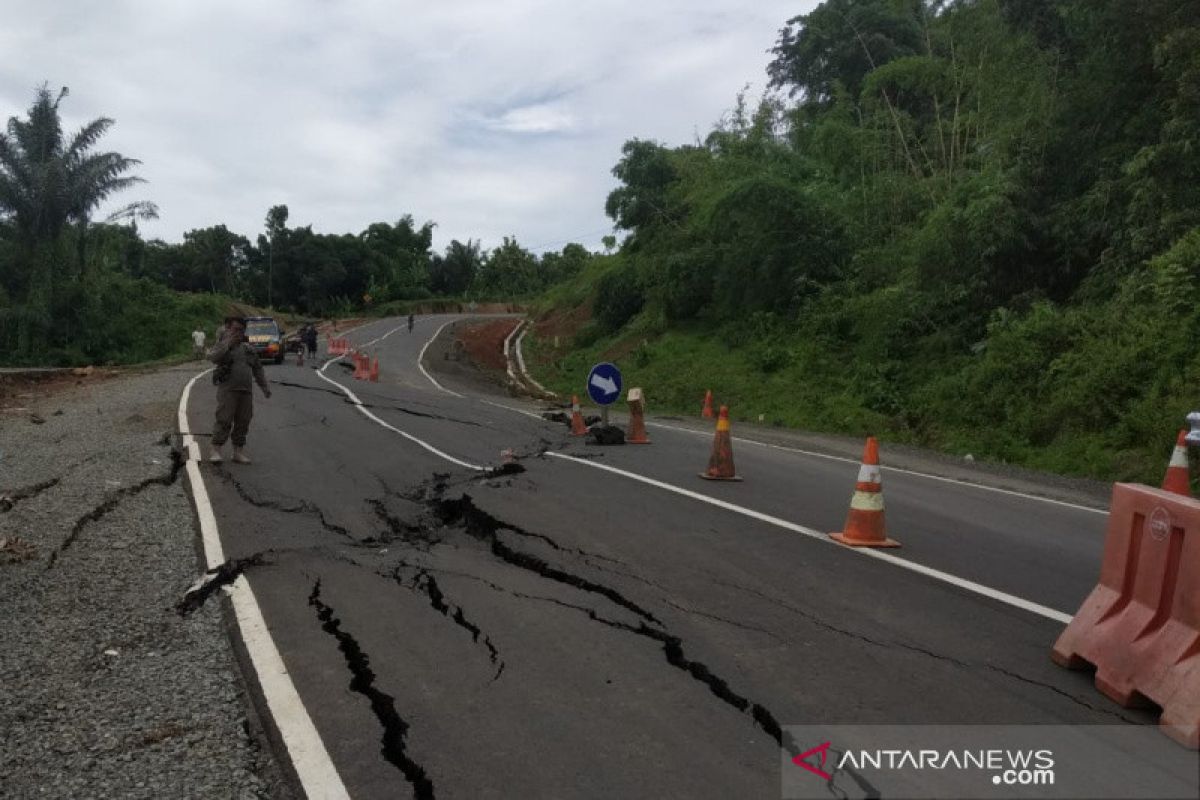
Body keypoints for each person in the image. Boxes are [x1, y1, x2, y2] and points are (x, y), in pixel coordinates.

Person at [208, 317, 271, 464]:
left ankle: (238, 452)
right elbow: (213, 357)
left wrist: (264, 387)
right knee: (224, 420)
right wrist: (228, 344)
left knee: (243, 421)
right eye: (235, 329)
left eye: (241, 330)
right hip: (228, 391)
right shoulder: (222, 346)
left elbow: (258, 369)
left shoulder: (248, 350)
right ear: (228, 329)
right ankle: (215, 450)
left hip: (245, 391)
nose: (239, 333)